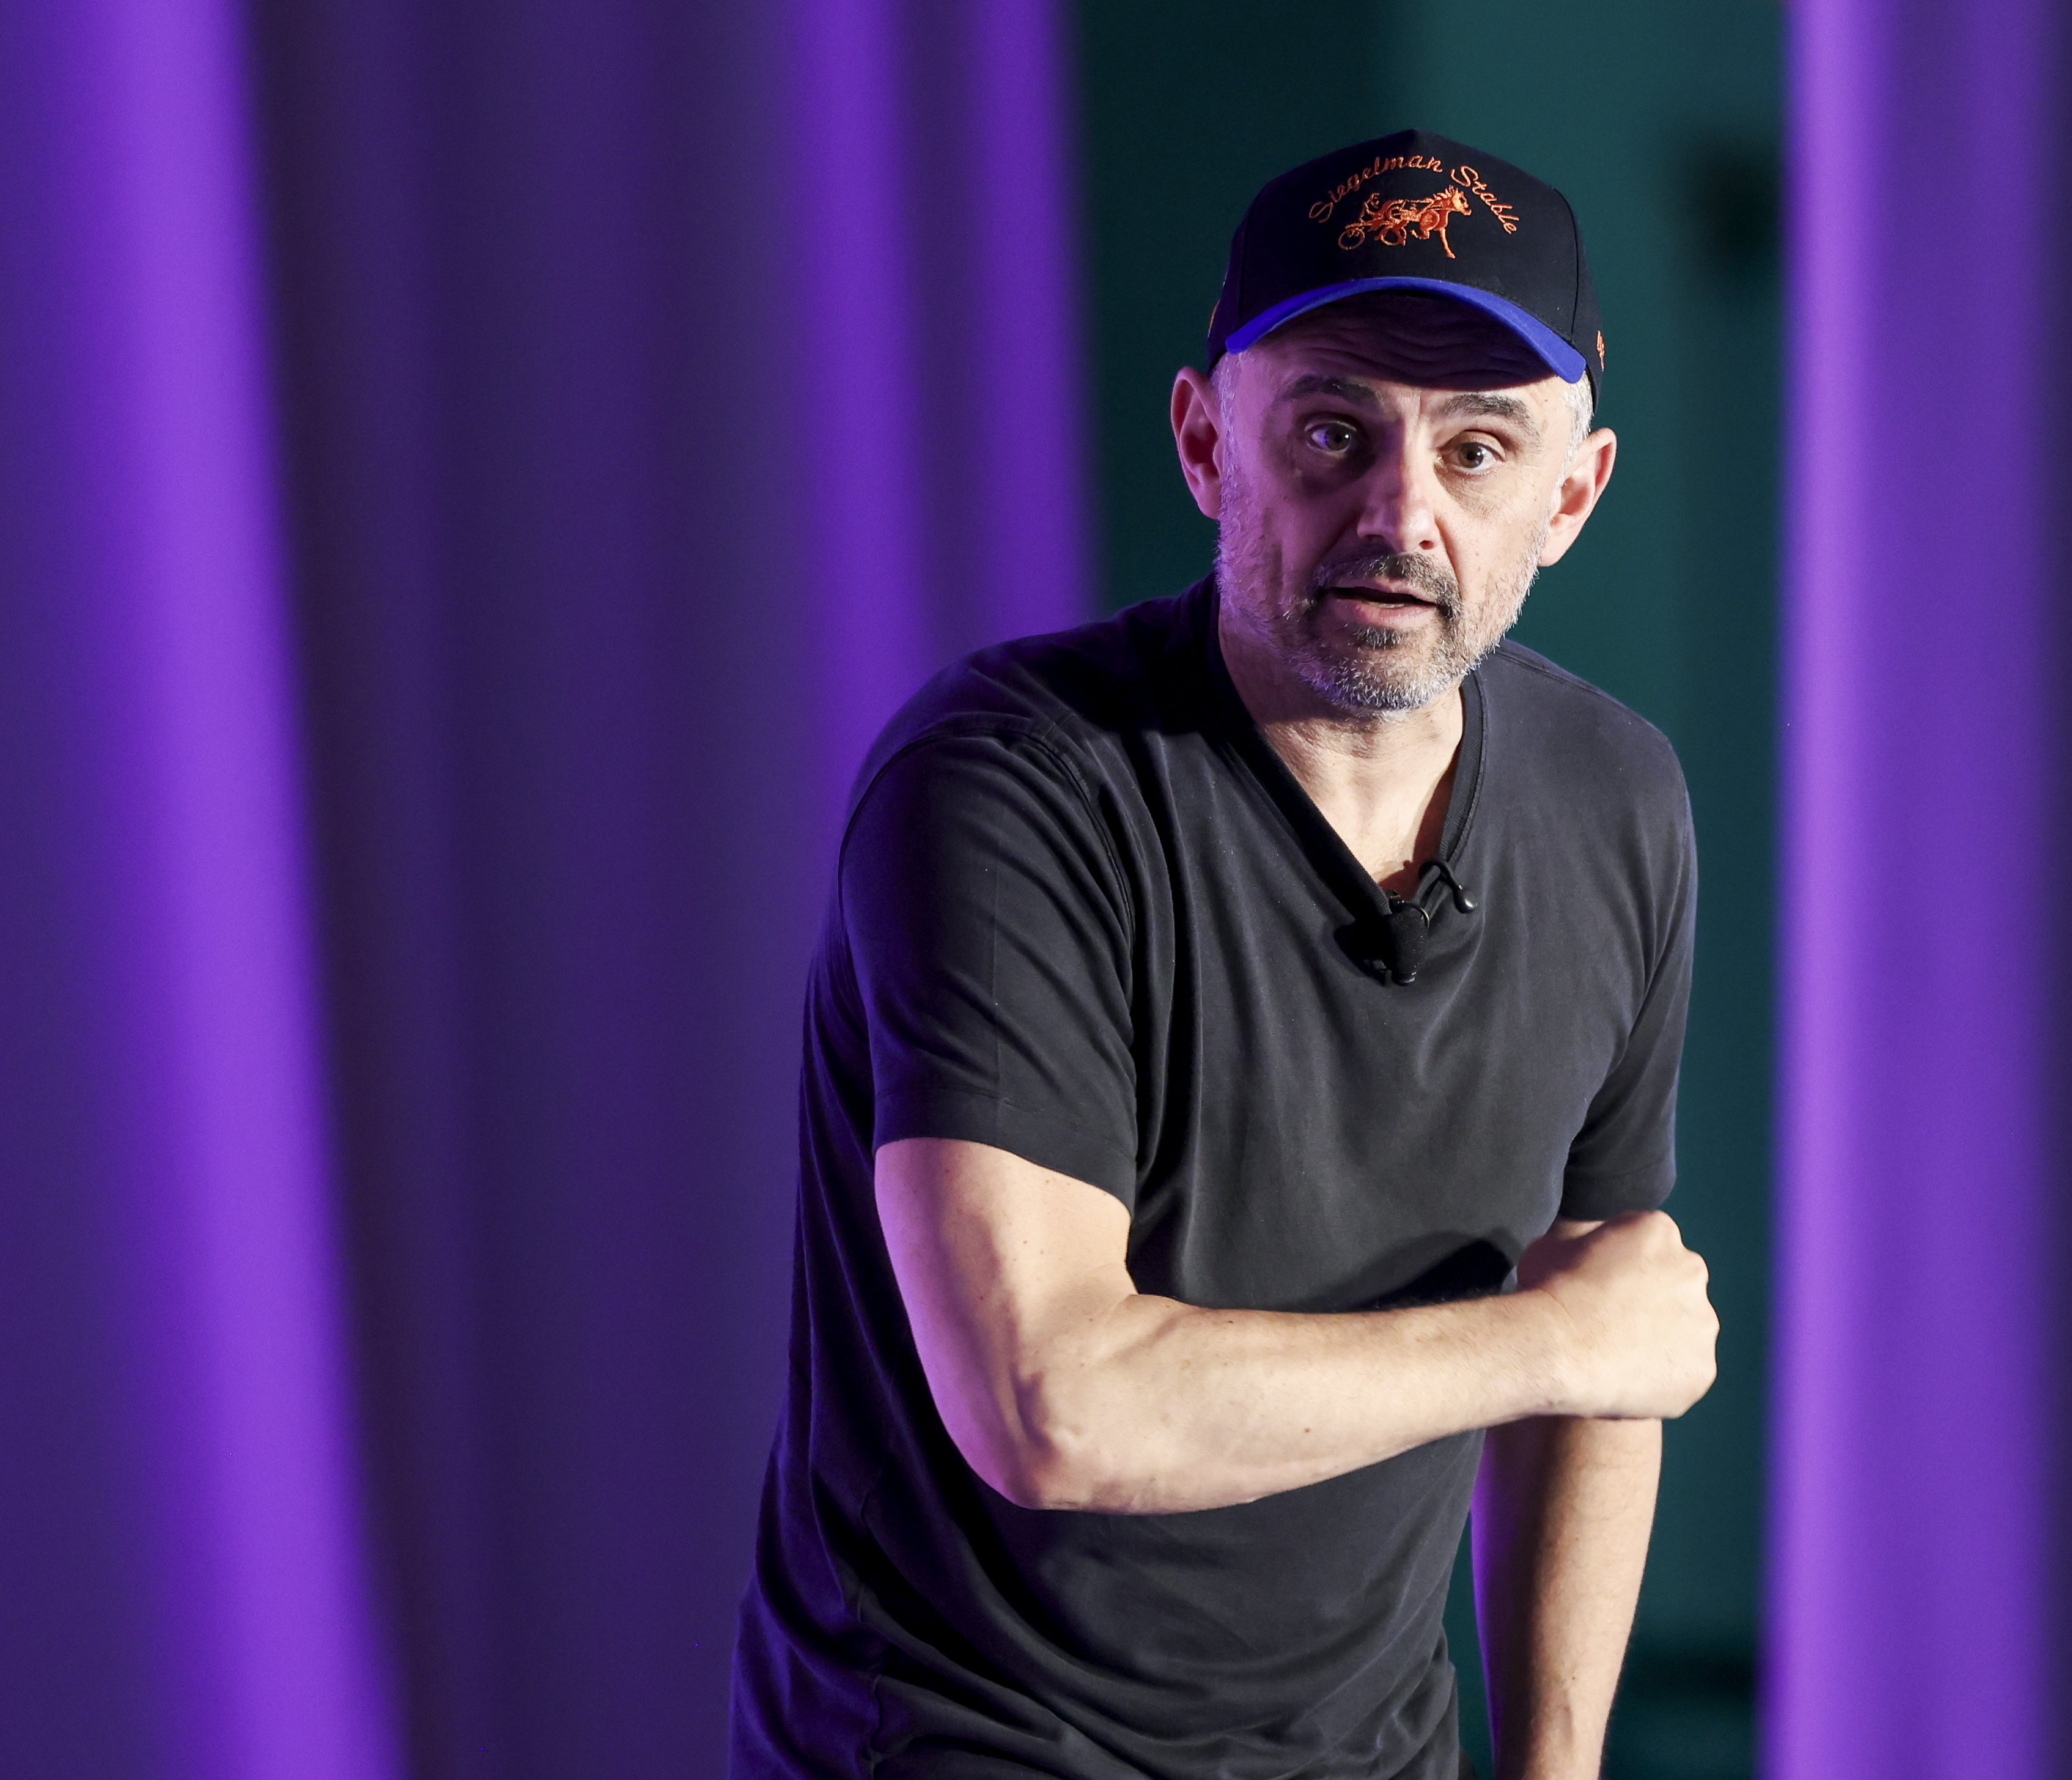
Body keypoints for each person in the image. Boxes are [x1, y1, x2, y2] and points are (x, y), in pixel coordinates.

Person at [731, 128, 1718, 1780]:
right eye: (1334, 432)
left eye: (1478, 452)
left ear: (1571, 495)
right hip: (971, 1742)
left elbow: (1600, 1325)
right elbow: (1050, 1406)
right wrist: (1552, 1345)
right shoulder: (1008, 787)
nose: (1400, 512)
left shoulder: (1616, 802)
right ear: (1206, 443)